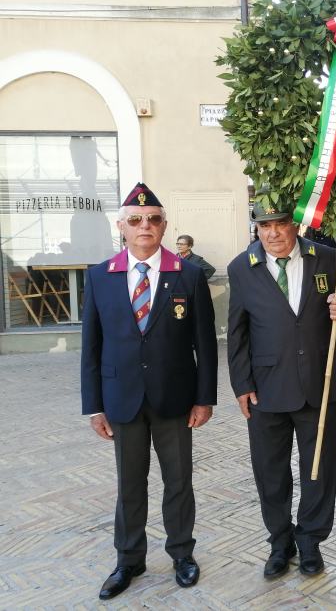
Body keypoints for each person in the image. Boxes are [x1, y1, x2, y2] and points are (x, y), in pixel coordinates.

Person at [81, 183, 217, 600]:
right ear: (121, 227)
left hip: (175, 400)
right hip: (122, 400)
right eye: (136, 220)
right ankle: (129, 560)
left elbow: (205, 344)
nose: (145, 226)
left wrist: (204, 397)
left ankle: (181, 554)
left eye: (154, 219)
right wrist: (94, 407)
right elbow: (92, 346)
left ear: (164, 226)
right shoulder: (100, 276)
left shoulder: (188, 275)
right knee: (129, 485)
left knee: (179, 482)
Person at [227, 201, 336, 579]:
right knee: (270, 472)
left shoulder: (324, 257)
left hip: (318, 383)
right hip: (265, 389)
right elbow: (236, 334)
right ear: (256, 228)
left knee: (318, 468)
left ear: (295, 224)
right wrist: (241, 385)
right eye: (264, 225)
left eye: (280, 223)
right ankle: (279, 542)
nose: (273, 233)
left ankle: (310, 542)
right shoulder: (241, 268)